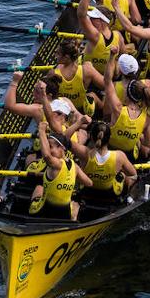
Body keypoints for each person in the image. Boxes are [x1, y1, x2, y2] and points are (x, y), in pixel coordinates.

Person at [25, 79, 92, 220]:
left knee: (38, 187)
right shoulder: (72, 140)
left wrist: (42, 132)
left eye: (55, 112)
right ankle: (73, 217)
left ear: (62, 116)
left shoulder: (58, 131)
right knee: (75, 204)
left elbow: (48, 157)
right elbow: (89, 183)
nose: (51, 113)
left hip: (45, 210)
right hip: (65, 212)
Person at [71, 117, 138, 201]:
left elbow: (62, 138)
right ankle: (126, 198)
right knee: (126, 176)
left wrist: (79, 123)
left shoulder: (83, 152)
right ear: (109, 138)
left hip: (87, 192)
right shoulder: (120, 156)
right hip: (109, 195)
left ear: (91, 137)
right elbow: (134, 175)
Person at [74, 0, 123, 78]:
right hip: (109, 78)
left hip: (90, 79)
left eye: (93, 18)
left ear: (102, 22)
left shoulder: (94, 36)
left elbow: (81, 15)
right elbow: (123, 55)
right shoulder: (118, 35)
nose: (90, 19)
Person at [51, 39, 102, 118]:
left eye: (58, 54)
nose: (55, 56)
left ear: (66, 57)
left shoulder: (53, 73)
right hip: (81, 109)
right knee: (93, 95)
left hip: (64, 113)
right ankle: (104, 116)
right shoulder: (87, 70)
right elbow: (106, 84)